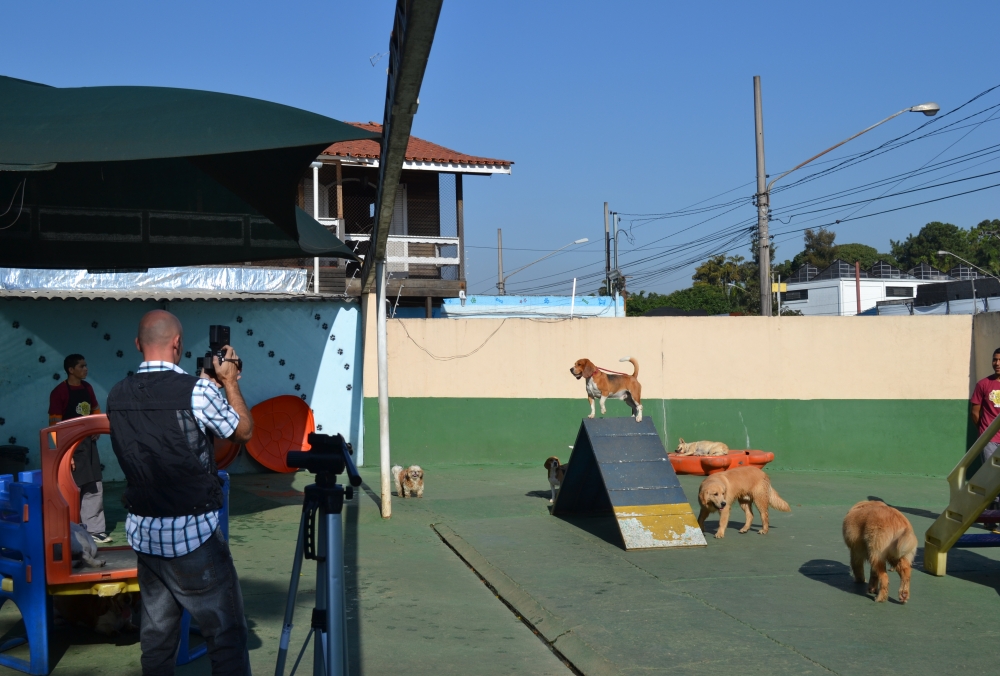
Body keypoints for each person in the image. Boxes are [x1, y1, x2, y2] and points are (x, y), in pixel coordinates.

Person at [106, 310, 254, 675]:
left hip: (145, 536)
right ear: (177, 344)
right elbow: (242, 431)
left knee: (157, 641)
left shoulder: (116, 394)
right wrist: (230, 382)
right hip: (194, 538)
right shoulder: (198, 391)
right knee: (227, 636)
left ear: (139, 345)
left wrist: (203, 386)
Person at [48, 354, 111, 543]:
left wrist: (97, 429)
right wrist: (62, 452)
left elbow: (96, 409)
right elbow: (53, 425)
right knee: (73, 487)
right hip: (70, 447)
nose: (86, 369)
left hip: (88, 444)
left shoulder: (87, 388)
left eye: (86, 365)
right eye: (82, 366)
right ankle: (73, 530)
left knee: (94, 485)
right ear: (71, 370)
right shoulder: (59, 392)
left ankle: (95, 530)